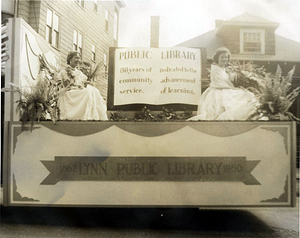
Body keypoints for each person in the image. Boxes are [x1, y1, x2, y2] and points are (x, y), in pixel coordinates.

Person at [188, 47, 258, 121]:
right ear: (217, 58)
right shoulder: (215, 68)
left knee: (248, 96)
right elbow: (219, 83)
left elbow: (228, 81)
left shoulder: (224, 69)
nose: (224, 59)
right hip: (218, 92)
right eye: (222, 57)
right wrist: (234, 89)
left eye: (226, 57)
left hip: (225, 90)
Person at [57, 51, 108, 120]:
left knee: (94, 90)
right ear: (70, 59)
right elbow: (59, 84)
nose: (78, 60)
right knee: (88, 92)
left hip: (78, 91)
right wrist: (66, 83)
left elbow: (83, 83)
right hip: (69, 92)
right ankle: (86, 116)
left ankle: (95, 116)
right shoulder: (63, 72)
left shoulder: (80, 73)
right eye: (76, 58)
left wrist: (85, 84)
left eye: (79, 58)